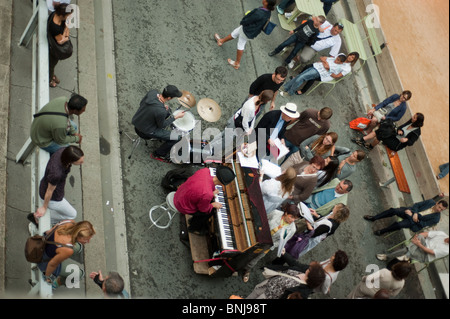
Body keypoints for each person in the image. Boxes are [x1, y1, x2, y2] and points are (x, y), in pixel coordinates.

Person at [242, 202, 300, 282]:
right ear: (286, 213)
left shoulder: (292, 229)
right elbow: (264, 221)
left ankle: (246, 270)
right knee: (245, 248)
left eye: (295, 219)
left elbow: (281, 241)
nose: (292, 220)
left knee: (255, 258)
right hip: (258, 236)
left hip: (267, 245)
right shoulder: (276, 213)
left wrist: (269, 245)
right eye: (291, 217)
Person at [27, 146, 84, 226]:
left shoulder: (63, 151)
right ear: (70, 160)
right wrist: (44, 207)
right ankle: (39, 219)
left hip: (47, 185)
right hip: (53, 198)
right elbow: (49, 191)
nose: (82, 162)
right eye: (80, 162)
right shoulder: (56, 174)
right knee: (72, 214)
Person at [214, 0, 276, 70]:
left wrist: (242, 22)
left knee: (240, 44)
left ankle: (237, 63)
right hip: (251, 31)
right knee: (235, 33)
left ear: (266, 3)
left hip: (247, 30)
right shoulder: (268, 12)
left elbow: (249, 20)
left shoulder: (260, 13)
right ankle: (221, 41)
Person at [173, 165, 235, 235]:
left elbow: (201, 188)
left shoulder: (205, 171)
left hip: (180, 193)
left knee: (208, 204)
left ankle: (194, 221)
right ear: (223, 184)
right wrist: (212, 205)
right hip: (181, 205)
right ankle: (193, 228)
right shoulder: (207, 194)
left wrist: (210, 193)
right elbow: (203, 209)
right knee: (209, 212)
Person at [131, 85, 184, 162]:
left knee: (167, 112)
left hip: (137, 120)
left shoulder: (152, 93)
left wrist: (161, 106)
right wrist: (175, 117)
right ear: (169, 98)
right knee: (177, 137)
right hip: (146, 131)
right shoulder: (161, 111)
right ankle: (158, 154)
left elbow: (141, 103)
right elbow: (162, 125)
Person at [37, 220, 95, 289]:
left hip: (42, 245)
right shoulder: (68, 249)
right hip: (43, 260)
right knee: (78, 274)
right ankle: (56, 283)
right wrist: (47, 276)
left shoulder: (70, 222)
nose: (88, 242)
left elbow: (48, 232)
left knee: (78, 247)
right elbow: (52, 264)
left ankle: (61, 255)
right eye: (86, 240)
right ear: (79, 237)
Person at [272, 249, 348, 295]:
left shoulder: (328, 278)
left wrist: (327, 287)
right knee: (295, 267)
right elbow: (320, 263)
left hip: (310, 284)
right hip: (311, 272)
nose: (332, 255)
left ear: (334, 261)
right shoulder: (330, 262)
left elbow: (324, 291)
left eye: (334, 256)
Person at [364, 198, 448, 236]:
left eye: (441, 210)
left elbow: (423, 224)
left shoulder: (436, 218)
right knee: (394, 210)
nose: (439, 210)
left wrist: (415, 218)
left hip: (414, 222)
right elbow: (417, 205)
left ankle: (382, 231)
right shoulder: (430, 202)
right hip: (410, 212)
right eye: (439, 207)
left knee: (399, 225)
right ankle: (374, 218)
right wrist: (414, 213)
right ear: (437, 203)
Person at [246, 261, 325, 299]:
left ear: (312, 276)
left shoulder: (302, 291)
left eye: (310, 269)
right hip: (265, 286)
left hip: (267, 297)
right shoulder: (303, 272)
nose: (308, 268)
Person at [280, 54, 347, 96]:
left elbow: (327, 67)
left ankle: (290, 92)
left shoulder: (338, 67)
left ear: (341, 62)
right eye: (337, 58)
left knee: (301, 78)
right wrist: (325, 63)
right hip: (315, 66)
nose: (336, 60)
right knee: (299, 76)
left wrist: (325, 63)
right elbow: (322, 58)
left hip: (318, 72)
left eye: (338, 60)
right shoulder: (332, 59)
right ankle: (286, 87)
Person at [353, 113, 424, 151]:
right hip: (395, 135)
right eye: (413, 116)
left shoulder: (417, 132)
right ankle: (368, 144)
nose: (412, 117)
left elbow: (411, 143)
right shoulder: (411, 122)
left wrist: (406, 139)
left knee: (381, 133)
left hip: (396, 143)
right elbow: (400, 127)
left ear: (417, 121)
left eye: (414, 117)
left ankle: (363, 141)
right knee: (382, 131)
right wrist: (400, 130)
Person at [376, 231, 449, 264]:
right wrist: (416, 237)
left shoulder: (447, 250)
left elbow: (431, 252)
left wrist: (418, 244)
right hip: (423, 244)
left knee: (406, 249)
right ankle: (406, 255)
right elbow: (425, 234)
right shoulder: (442, 234)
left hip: (426, 255)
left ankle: (387, 256)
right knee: (419, 236)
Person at [347, 261, 412, 299]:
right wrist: (386, 292)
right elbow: (394, 294)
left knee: (353, 296)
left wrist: (363, 278)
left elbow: (369, 278)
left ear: (397, 266)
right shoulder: (401, 283)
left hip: (366, 287)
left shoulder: (385, 271)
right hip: (376, 294)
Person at [48, 3, 73, 87]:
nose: (68, 17)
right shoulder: (55, 28)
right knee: (51, 64)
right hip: (53, 48)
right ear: (62, 15)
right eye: (68, 15)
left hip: (54, 40)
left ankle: (52, 76)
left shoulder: (55, 14)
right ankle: (50, 80)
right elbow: (61, 41)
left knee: (52, 65)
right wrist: (67, 33)